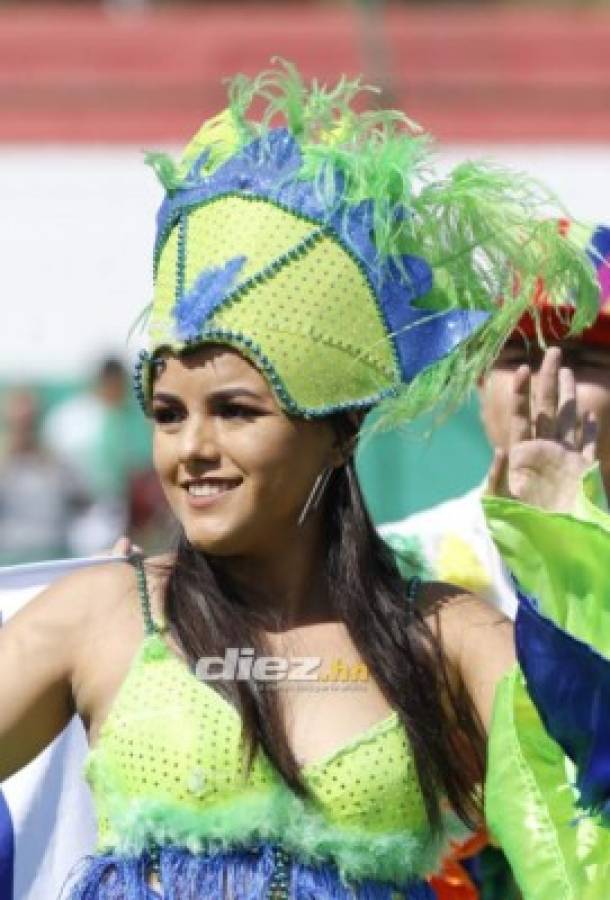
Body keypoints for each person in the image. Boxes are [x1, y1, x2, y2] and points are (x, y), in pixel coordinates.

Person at [0, 63, 608, 899]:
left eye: (239, 411)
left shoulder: (445, 637)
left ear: (336, 434)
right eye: (169, 413)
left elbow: (587, 819)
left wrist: (563, 558)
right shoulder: (101, 611)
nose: (192, 450)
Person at [42, 357, 151, 555]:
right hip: (77, 510)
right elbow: (51, 459)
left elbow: (138, 465)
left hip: (116, 509)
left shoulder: (127, 417)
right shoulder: (72, 417)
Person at [0, 388, 90, 565]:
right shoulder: (3, 464)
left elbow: (84, 502)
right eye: (18, 423)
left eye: (29, 423)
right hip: (9, 560)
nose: (23, 430)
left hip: (53, 556)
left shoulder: (58, 462)